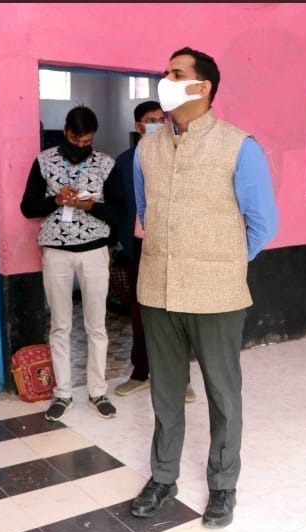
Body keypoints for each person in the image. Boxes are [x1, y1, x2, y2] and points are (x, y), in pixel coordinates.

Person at [129, 47, 278, 528]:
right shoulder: (147, 147)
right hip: (157, 290)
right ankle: (163, 476)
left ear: (203, 86)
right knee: (165, 393)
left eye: (176, 74)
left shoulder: (239, 146)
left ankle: (223, 483)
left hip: (217, 294)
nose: (165, 80)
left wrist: (223, 264)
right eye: (165, 73)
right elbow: (145, 212)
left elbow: (263, 224)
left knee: (222, 394)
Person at [21, 105, 124, 422]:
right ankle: (63, 394)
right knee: (60, 325)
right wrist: (55, 200)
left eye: (87, 141)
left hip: (94, 251)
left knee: (96, 325)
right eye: (76, 140)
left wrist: (92, 206)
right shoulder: (44, 161)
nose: (81, 146)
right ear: (66, 131)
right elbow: (28, 208)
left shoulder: (106, 163)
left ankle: (97, 392)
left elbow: (119, 212)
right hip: (57, 252)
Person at [113, 100, 196, 403]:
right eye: (152, 120)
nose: (159, 125)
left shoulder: (179, 153)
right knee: (141, 313)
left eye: (163, 119)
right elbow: (117, 205)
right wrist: (124, 241)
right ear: (139, 126)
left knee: (177, 312)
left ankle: (182, 378)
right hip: (139, 248)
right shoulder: (125, 162)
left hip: (175, 246)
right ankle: (140, 372)